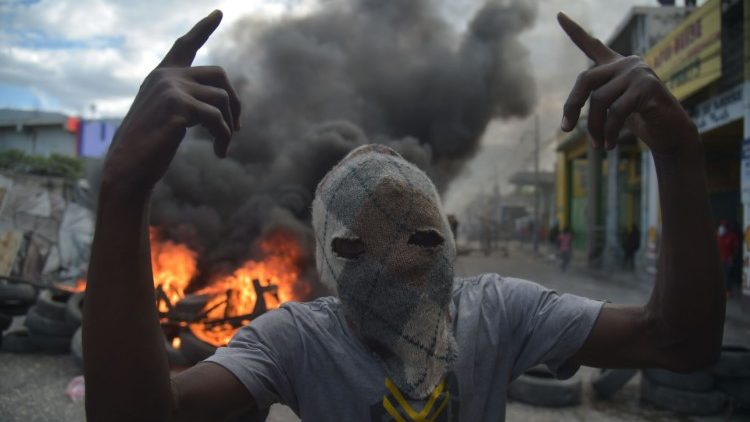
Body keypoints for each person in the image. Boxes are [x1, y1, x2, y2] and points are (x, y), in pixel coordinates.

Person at [84, 10, 725, 421]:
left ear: (447, 235)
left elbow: (680, 341)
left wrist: (677, 152)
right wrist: (124, 188)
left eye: (417, 233)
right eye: (359, 243)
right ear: (332, 260)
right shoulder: (297, 340)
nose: (397, 259)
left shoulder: (498, 312)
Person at [717, 220, 739, 297]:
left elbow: (735, 248)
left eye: (724, 226)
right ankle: (720, 291)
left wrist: (732, 257)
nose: (722, 228)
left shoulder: (731, 236)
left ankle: (728, 291)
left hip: (728, 260)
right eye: (721, 226)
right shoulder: (717, 236)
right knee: (720, 276)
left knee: (728, 276)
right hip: (719, 260)